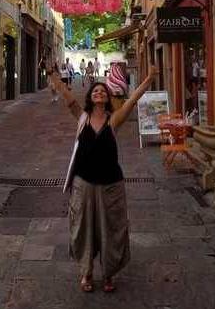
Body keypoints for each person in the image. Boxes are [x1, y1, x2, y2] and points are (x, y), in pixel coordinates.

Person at [49, 65, 158, 293]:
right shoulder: (82, 117)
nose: (99, 93)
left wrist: (148, 81)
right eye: (95, 91)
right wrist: (54, 77)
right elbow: (68, 98)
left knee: (112, 229)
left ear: (108, 98)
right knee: (83, 228)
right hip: (84, 183)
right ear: (90, 97)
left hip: (111, 184)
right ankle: (86, 271)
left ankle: (109, 273)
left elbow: (132, 102)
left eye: (103, 92)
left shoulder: (113, 120)